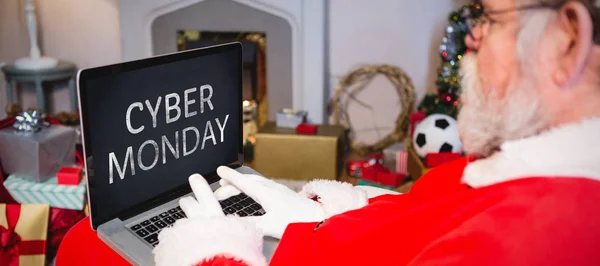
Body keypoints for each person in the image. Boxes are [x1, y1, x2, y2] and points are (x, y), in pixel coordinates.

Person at [153, 0, 600, 265]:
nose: (472, 38)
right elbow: (414, 226)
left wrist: (210, 251)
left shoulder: (532, 238)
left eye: (490, 18)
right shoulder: (520, 176)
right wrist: (316, 218)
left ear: (568, 41)